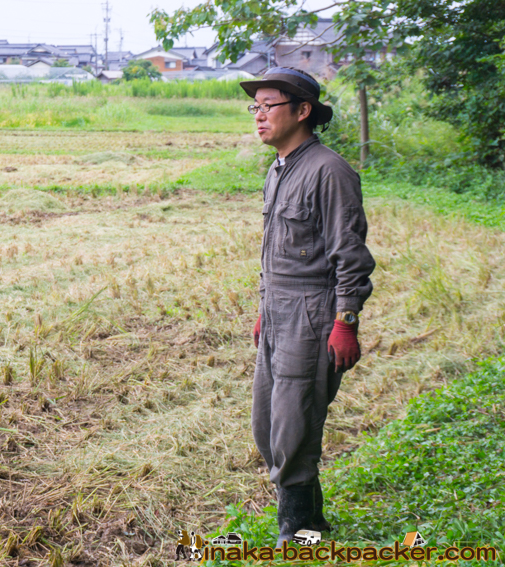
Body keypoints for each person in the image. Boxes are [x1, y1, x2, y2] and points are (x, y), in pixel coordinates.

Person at [238, 68, 376, 546]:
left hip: (313, 314)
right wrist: (264, 307)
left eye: (268, 105)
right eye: (254, 107)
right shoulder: (278, 169)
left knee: (294, 425)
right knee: (267, 423)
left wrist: (346, 322)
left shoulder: (329, 170)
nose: (258, 115)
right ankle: (311, 518)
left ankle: (299, 532)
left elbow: (349, 255)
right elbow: (277, 251)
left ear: (302, 112)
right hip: (278, 310)